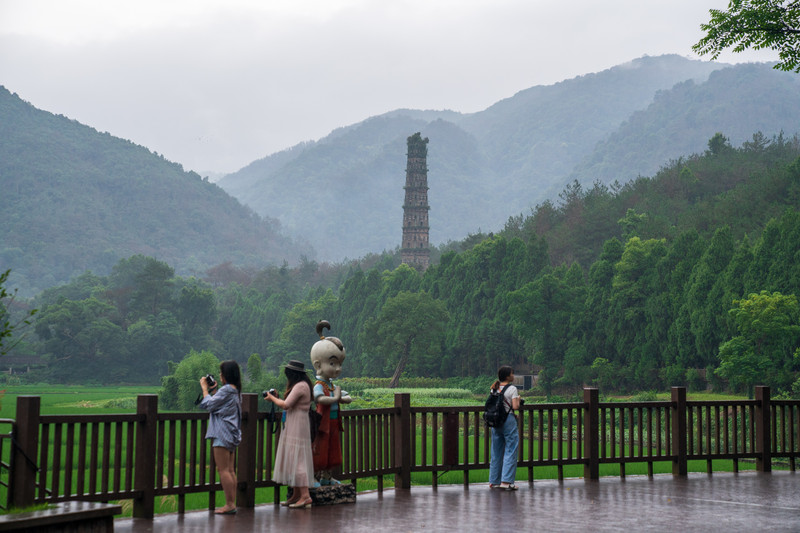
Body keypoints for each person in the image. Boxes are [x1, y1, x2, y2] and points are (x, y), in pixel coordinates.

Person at [264, 359, 316, 508]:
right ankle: (296, 494)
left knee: (298, 460)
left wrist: (272, 398)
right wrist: (278, 396)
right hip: (296, 423)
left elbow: (286, 404)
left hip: (297, 424)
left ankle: (305, 496)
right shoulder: (302, 385)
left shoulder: (300, 386)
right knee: (294, 457)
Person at [309, 321, 352, 485]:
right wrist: (335, 398)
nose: (338, 368)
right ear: (318, 365)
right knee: (320, 450)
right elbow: (318, 398)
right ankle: (313, 477)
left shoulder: (332, 385)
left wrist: (341, 398)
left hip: (334, 422)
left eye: (340, 364)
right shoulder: (320, 385)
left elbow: (347, 397)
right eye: (333, 363)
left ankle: (327, 477)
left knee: (333, 450)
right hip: (322, 423)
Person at [199, 360, 242, 514]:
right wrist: (214, 390)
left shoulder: (227, 390)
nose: (219, 375)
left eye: (221, 372)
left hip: (221, 432)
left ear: (226, 374)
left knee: (223, 470)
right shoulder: (234, 390)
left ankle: (230, 504)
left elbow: (209, 405)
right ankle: (231, 503)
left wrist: (205, 389)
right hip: (231, 432)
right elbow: (219, 404)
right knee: (230, 470)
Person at [488, 365, 520, 491]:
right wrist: (518, 399)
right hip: (508, 421)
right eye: (512, 373)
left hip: (496, 421)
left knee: (496, 451)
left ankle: (494, 481)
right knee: (511, 449)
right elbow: (515, 406)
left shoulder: (495, 388)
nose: (513, 376)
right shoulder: (512, 389)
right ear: (507, 376)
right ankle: (507, 481)